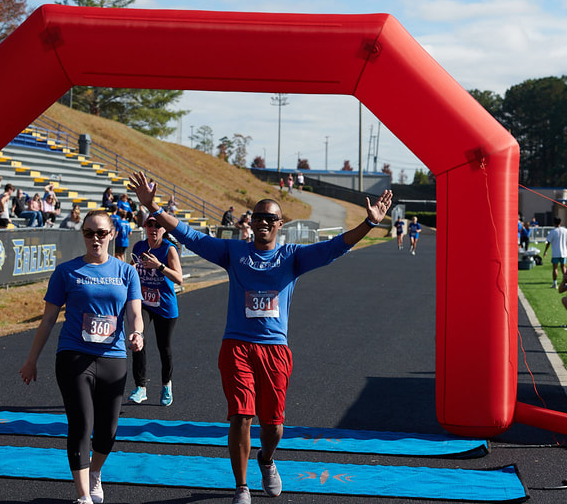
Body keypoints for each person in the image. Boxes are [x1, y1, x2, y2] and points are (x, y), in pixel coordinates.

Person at [128, 170, 392, 504]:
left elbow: (334, 248)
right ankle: (241, 487)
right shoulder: (232, 252)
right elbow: (191, 236)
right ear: (250, 222)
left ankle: (266, 460)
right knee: (241, 414)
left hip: (275, 350)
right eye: (259, 217)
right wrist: (155, 208)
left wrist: (368, 224)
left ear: (281, 224)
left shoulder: (292, 256)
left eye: (271, 218)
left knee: (274, 426)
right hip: (236, 345)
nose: (264, 222)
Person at [20, 210, 144, 504]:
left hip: (113, 356)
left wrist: (137, 333)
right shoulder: (67, 272)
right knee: (81, 424)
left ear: (113, 234)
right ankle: (83, 496)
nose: (95, 238)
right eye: (89, 233)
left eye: (101, 232)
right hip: (74, 355)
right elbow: (48, 320)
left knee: (108, 431)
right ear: (83, 235)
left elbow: (135, 313)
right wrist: (31, 359)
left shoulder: (126, 272)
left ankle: (96, 472)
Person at [127, 214, 184, 406]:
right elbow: (132, 272)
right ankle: (140, 387)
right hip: (144, 303)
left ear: (164, 229)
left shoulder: (170, 249)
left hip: (165, 306)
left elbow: (179, 278)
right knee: (138, 338)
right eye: (149, 225)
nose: (153, 228)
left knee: (164, 348)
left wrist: (159, 266)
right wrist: (132, 269)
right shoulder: (139, 247)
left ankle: (166, 384)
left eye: (158, 225)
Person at [543, 217, 567, 288]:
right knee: (563, 267)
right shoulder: (565, 230)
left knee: (555, 268)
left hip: (555, 252)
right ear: (560, 222)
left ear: (554, 223)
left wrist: (545, 251)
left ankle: (555, 283)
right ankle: (566, 282)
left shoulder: (553, 232)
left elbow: (548, 242)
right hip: (563, 252)